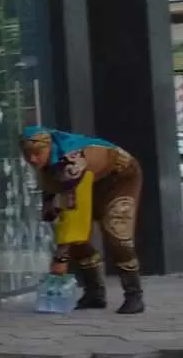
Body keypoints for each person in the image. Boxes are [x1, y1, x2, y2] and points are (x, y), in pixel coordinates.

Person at [21, 126, 145, 315]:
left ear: (49, 147)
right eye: (27, 154)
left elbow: (73, 215)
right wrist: (50, 207)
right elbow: (53, 188)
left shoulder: (72, 163)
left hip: (119, 180)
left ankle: (134, 295)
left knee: (116, 234)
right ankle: (95, 293)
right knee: (77, 239)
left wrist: (60, 259)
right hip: (92, 181)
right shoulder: (51, 159)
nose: (32, 159)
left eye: (37, 153)